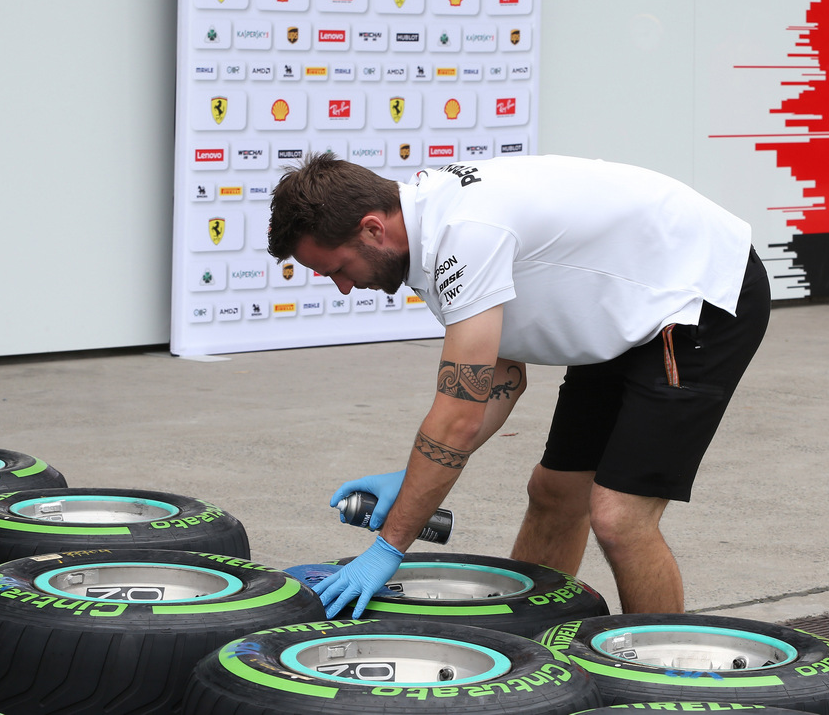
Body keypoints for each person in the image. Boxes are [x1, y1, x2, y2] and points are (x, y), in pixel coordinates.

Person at [267, 152, 771, 619]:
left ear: (372, 229)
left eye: (336, 269)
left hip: (699, 295)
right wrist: (412, 477)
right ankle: (530, 644)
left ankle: (660, 683)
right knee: (555, 492)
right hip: (625, 305)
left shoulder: (463, 234)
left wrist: (389, 547)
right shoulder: (424, 233)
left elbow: (459, 417)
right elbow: (502, 375)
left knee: (620, 518)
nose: (343, 286)